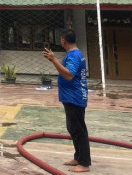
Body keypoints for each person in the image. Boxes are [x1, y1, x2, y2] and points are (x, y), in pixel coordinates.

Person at [43, 28, 90, 173]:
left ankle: (84, 163)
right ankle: (78, 157)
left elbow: (69, 75)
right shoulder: (75, 54)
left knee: (78, 130)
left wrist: (54, 60)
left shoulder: (74, 56)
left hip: (74, 97)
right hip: (72, 96)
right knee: (73, 128)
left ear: (63, 40)